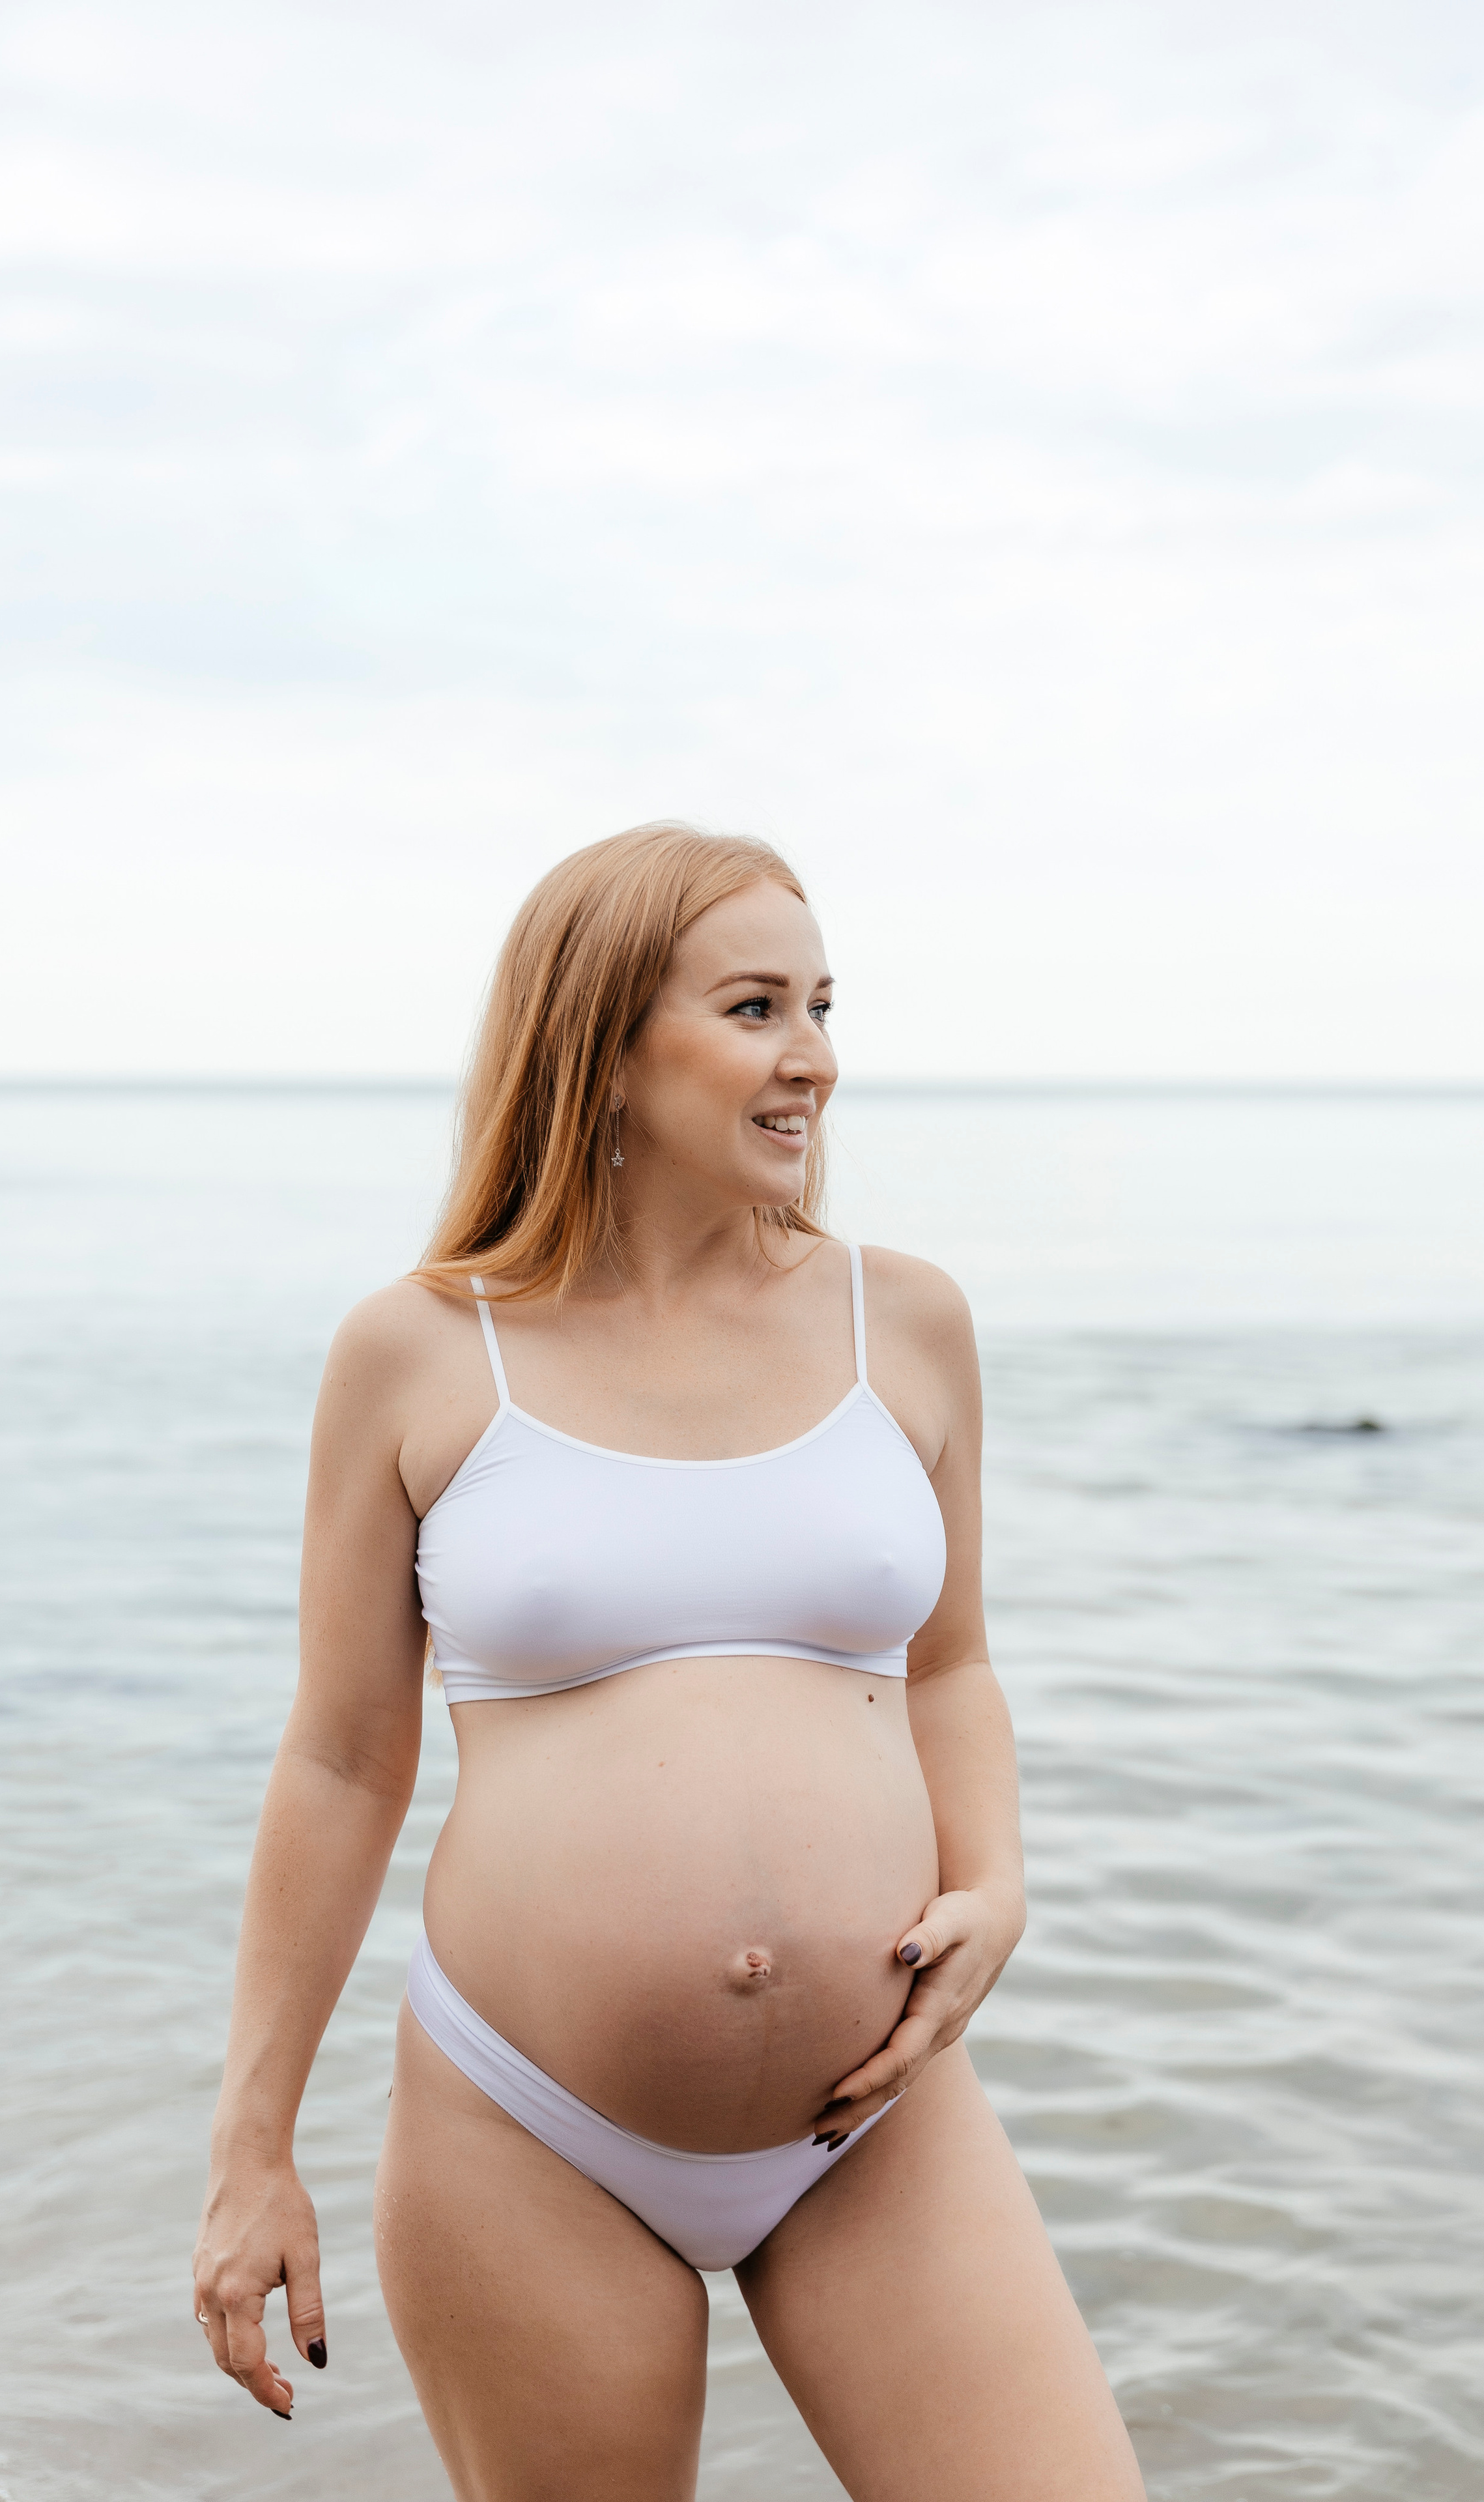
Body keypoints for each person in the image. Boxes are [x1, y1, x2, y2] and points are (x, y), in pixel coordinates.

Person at [193, 823, 1146, 2501]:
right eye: (760, 1007)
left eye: (827, 1006)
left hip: (879, 2117)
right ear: (608, 1049)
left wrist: (998, 1884)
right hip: (523, 2129)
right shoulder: (418, 1350)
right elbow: (343, 1760)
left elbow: (951, 1665)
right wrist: (250, 2151)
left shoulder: (905, 1322)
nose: (817, 1061)